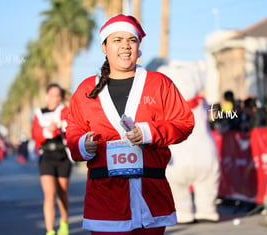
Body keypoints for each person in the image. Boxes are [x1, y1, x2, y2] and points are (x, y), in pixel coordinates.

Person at [65, 14, 195, 234]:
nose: (125, 46)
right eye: (117, 40)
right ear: (104, 47)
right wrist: (82, 144)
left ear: (138, 47)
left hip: (150, 194)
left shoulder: (159, 83)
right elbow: (73, 130)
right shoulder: (86, 90)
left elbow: (184, 122)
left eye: (131, 40)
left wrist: (148, 132)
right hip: (105, 199)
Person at [157, 60, 220, 224]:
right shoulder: (201, 103)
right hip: (204, 152)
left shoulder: (167, 107)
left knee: (175, 183)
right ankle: (207, 210)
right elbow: (212, 116)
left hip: (177, 155)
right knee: (207, 181)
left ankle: (183, 212)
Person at [32, 83, 72, 235]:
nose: (55, 98)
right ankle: (50, 231)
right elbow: (35, 134)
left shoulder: (64, 111)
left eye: (58, 95)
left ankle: (64, 222)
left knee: (62, 193)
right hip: (46, 157)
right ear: (46, 96)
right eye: (52, 95)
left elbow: (71, 126)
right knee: (49, 194)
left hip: (62, 156)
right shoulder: (39, 113)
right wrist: (48, 130)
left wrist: (61, 126)